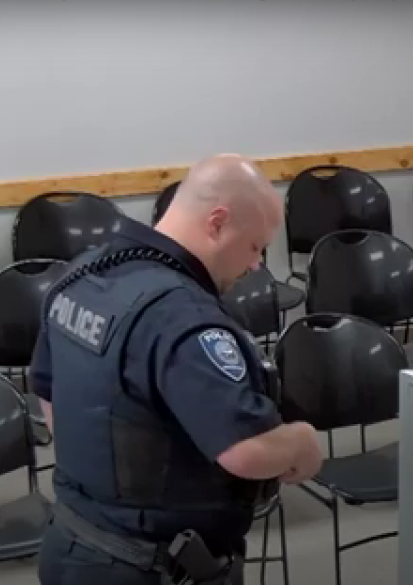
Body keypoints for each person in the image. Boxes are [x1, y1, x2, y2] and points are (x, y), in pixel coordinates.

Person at [31, 154, 325, 585]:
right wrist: (302, 443)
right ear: (217, 222)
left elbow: (50, 396)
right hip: (149, 566)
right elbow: (245, 450)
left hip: (70, 545)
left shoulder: (84, 275)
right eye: (255, 246)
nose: (256, 264)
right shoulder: (180, 315)